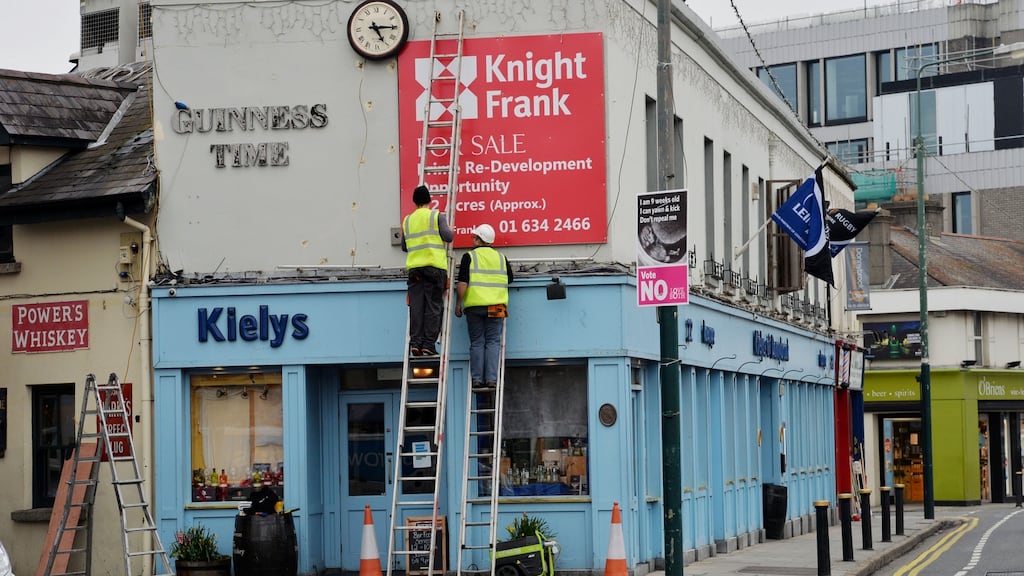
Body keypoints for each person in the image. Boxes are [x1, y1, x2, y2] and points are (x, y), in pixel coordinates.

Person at [454, 224, 513, 387]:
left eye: (475, 237)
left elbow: (462, 283)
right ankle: (492, 379)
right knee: (493, 342)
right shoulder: (501, 258)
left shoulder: (469, 257)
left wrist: (458, 304)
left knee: (477, 342)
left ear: (480, 240)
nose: (472, 239)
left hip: (475, 306)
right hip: (497, 305)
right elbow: (510, 279)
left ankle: (478, 379)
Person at [401, 185, 453, 356]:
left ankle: (415, 343)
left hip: (415, 269)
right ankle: (428, 345)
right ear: (430, 200)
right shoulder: (436, 216)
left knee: (416, 307)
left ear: (414, 201)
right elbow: (448, 237)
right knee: (433, 306)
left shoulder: (407, 220)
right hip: (434, 267)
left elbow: (404, 246)